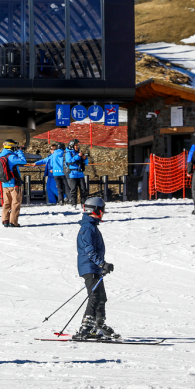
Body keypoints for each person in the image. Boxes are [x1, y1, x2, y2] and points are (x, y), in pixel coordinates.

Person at [74, 197, 117, 341]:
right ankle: (86, 328)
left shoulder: (91, 226)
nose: (104, 212)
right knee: (94, 296)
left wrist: (101, 265)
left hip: (94, 267)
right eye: (102, 209)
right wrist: (101, 263)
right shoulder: (88, 227)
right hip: (89, 267)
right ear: (95, 210)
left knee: (101, 297)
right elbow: (89, 250)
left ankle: (99, 325)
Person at [0, 140, 26, 227]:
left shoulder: (1, 155)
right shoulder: (12, 157)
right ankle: (13, 222)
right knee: (15, 203)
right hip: (14, 183)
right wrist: (20, 151)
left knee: (6, 203)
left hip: (5, 183)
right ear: (11, 146)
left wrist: (16, 152)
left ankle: (5, 220)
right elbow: (23, 161)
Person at [65, 139, 89, 207]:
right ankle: (73, 204)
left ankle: (83, 204)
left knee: (83, 190)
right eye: (76, 145)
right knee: (73, 190)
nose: (77, 146)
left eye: (77, 145)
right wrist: (78, 156)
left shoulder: (79, 153)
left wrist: (85, 158)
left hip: (80, 174)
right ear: (72, 146)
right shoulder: (68, 153)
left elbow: (86, 163)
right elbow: (69, 161)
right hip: (72, 174)